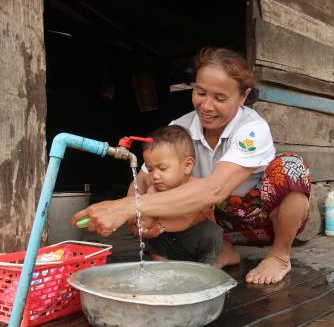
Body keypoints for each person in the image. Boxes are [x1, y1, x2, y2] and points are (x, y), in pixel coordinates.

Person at [72, 47, 311, 285]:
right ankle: (222, 248)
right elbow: (143, 179)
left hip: (261, 220)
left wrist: (125, 207)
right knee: (162, 182)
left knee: (290, 167)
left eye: (220, 98)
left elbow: (215, 189)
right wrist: (137, 217)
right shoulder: (181, 127)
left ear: (243, 96)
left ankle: (280, 256)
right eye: (200, 92)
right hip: (212, 221)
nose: (206, 106)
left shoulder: (252, 129)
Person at [131, 125, 223, 264]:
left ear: (187, 165)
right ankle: (161, 262)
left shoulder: (197, 187)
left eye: (162, 168)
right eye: (150, 169)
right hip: (170, 242)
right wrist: (145, 229)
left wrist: (158, 225)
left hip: (196, 241)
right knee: (151, 237)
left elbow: (186, 219)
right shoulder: (153, 190)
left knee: (212, 232)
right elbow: (147, 216)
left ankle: (207, 265)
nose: (155, 176)